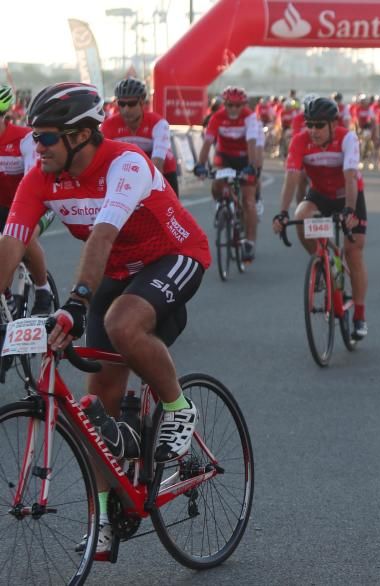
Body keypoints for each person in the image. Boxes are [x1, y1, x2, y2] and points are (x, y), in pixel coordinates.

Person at [5, 82, 209, 553]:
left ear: (80, 135)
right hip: (117, 272)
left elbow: (101, 236)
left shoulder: (125, 164)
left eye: (48, 137)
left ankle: (177, 408)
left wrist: (76, 302)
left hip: (174, 254)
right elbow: (11, 244)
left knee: (120, 323)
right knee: (97, 410)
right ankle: (104, 517)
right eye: (35, 136)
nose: (38, 147)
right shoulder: (40, 177)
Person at [273, 97, 369, 338]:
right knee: (300, 216)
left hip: (348, 195)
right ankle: (323, 258)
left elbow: (349, 177)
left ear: (332, 125)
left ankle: (359, 315)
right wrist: (282, 213)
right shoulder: (299, 141)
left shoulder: (347, 138)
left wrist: (349, 210)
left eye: (319, 125)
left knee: (353, 252)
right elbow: (292, 178)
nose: (313, 131)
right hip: (319, 194)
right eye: (310, 124)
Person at [0, 84, 53, 316]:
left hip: (35, 206)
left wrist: (16, 219)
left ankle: (43, 289)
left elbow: (35, 179)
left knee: (22, 233)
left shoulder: (24, 140)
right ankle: (7, 297)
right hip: (3, 208)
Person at [194, 86, 261, 261]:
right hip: (224, 157)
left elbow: (252, 142)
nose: (233, 109)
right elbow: (208, 142)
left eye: (238, 106)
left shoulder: (249, 117)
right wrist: (200, 165)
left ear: (243, 105)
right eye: (230, 105)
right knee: (216, 184)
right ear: (225, 104)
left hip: (245, 157)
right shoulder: (217, 117)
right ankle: (222, 205)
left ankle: (250, 243)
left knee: (248, 200)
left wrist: (252, 166)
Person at [101, 78, 181, 196]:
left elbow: (157, 164)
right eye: (121, 104)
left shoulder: (158, 123)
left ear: (142, 102)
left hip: (162, 169)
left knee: (172, 210)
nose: (126, 109)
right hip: (126, 170)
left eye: (132, 104)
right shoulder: (108, 125)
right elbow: (103, 161)